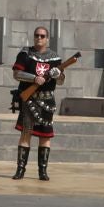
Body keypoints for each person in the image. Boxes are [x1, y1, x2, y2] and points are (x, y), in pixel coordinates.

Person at [11, 25, 63, 181]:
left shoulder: (55, 58)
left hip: (47, 100)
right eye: (37, 35)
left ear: (47, 39)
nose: (39, 38)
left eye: (42, 36)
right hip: (30, 99)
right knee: (26, 134)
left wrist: (58, 74)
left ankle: (43, 171)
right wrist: (34, 79)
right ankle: (20, 170)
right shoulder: (25, 54)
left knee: (45, 137)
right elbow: (16, 74)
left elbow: (61, 81)